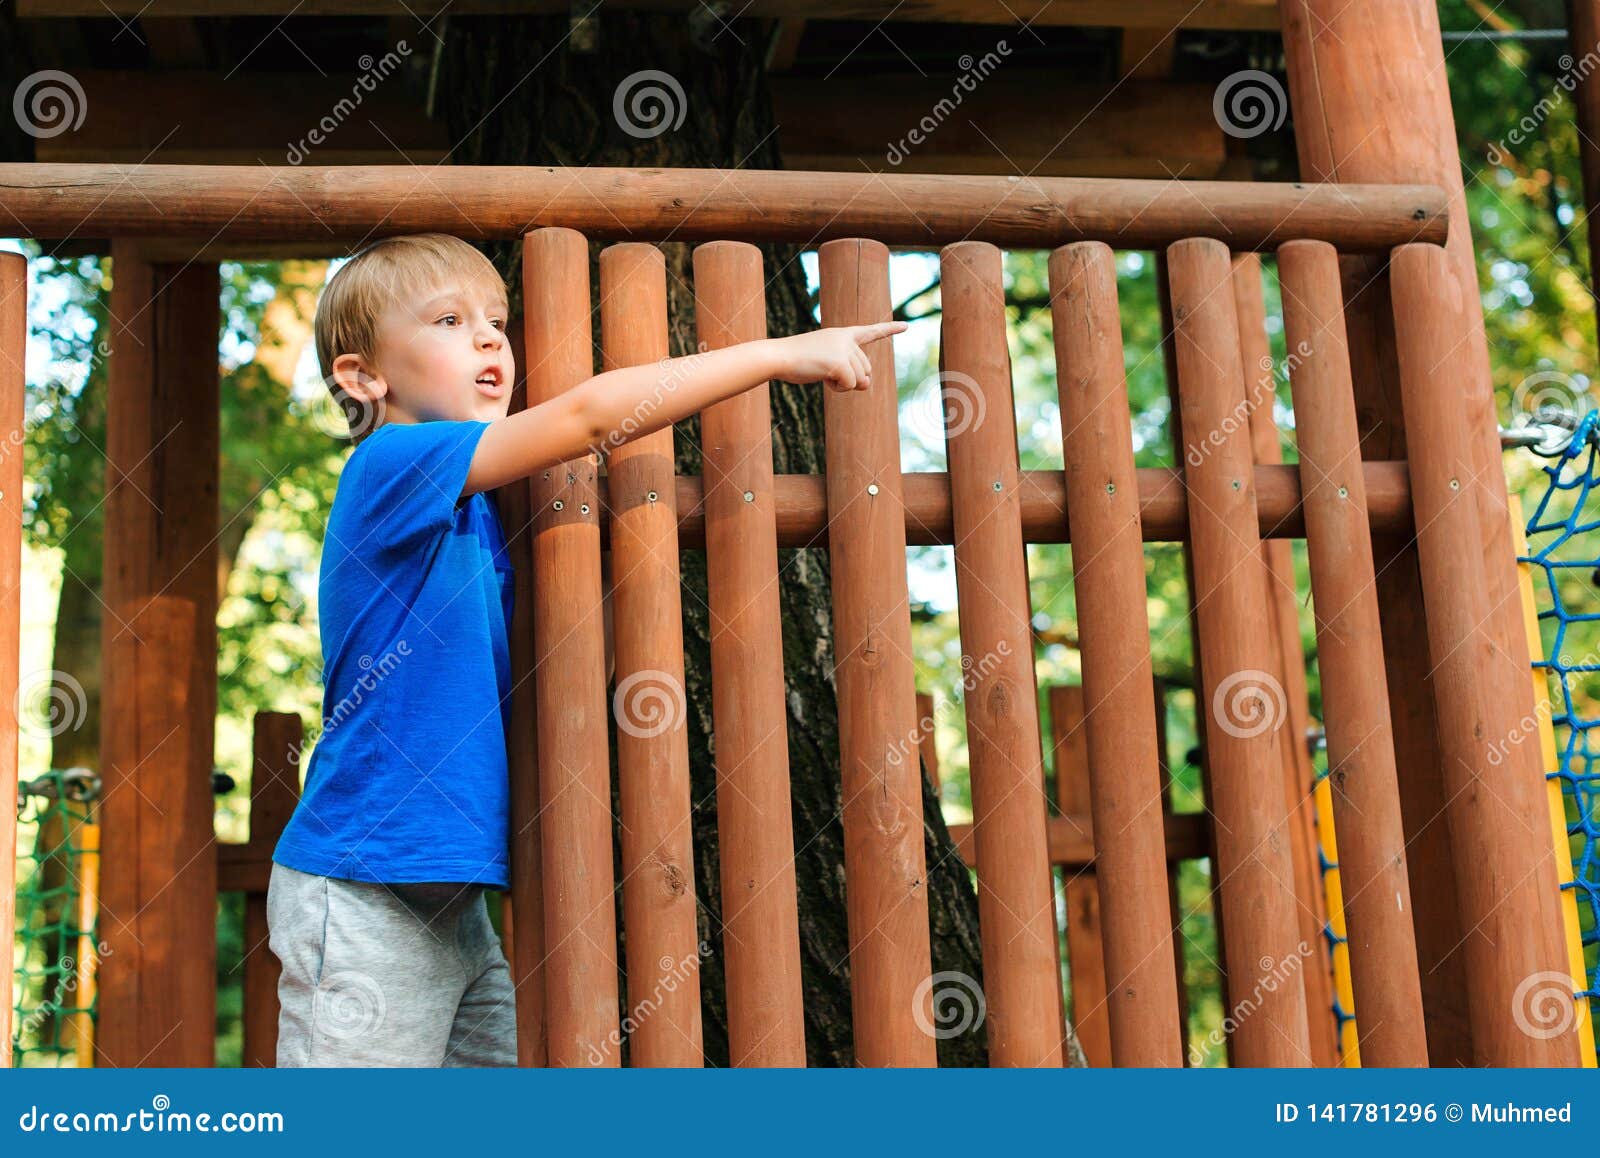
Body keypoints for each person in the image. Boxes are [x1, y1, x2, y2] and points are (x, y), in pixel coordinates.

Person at [266, 232, 903, 1066]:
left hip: (453, 902)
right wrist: (778, 354)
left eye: (497, 321)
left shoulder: (476, 516)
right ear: (362, 379)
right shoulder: (389, 465)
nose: (492, 338)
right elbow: (589, 417)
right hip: (362, 884)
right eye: (451, 320)